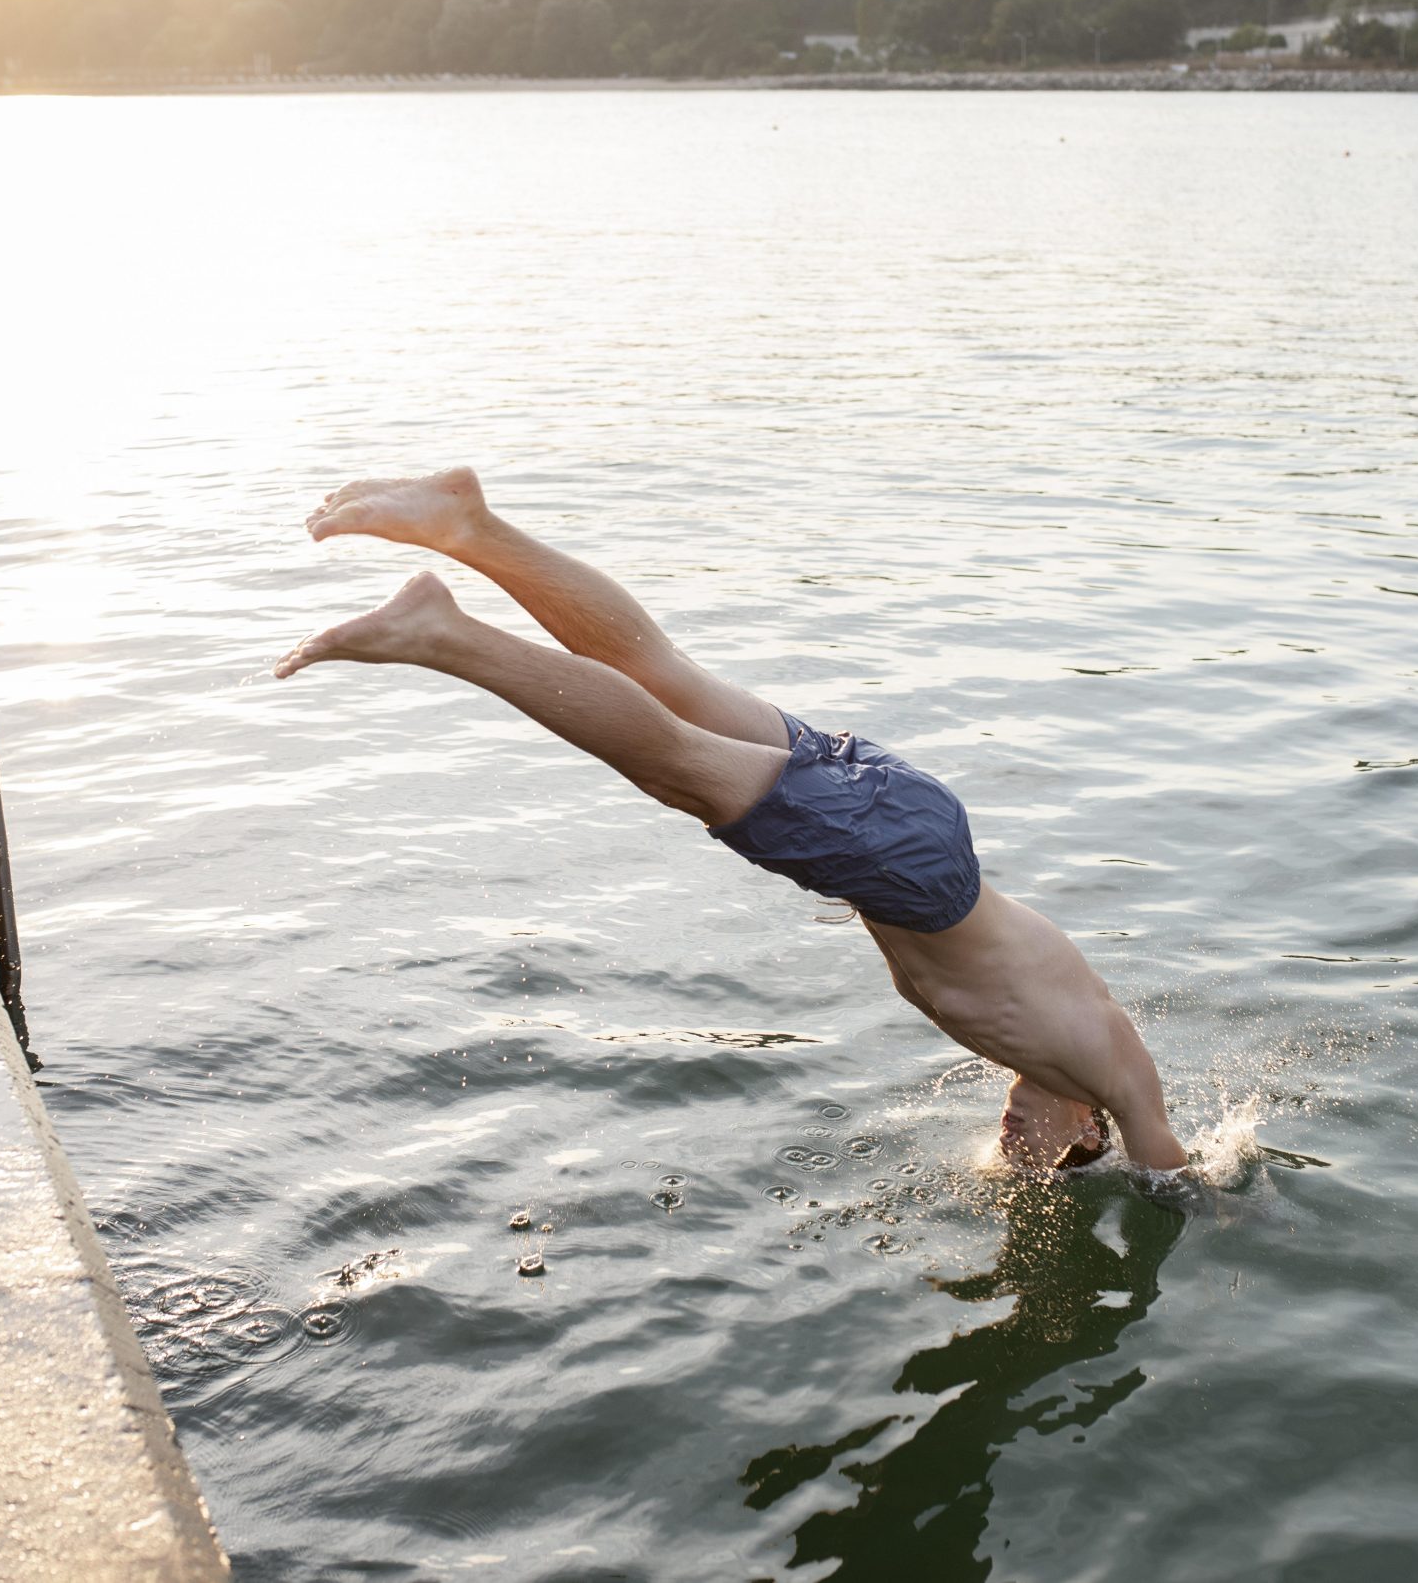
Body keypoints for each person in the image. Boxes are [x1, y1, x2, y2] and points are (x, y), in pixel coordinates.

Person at [274, 469, 1190, 1174]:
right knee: (674, 762)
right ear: (1090, 1125)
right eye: (1038, 1142)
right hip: (911, 861)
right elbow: (1171, 1163)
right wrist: (1208, 1203)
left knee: (667, 674)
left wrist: (1023, 1167)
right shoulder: (1114, 1075)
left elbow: (1019, 1140)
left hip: (908, 827)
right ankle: (445, 634)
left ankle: (472, 525)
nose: (1012, 1135)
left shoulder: (1044, 1067)